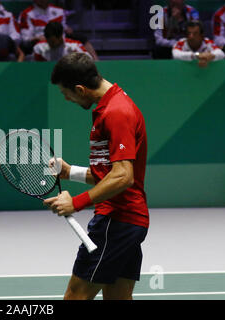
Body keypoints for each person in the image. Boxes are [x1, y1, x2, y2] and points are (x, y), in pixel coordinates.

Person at [44, 52, 149, 300]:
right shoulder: (114, 105)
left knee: (76, 296)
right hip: (129, 221)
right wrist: (72, 172)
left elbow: (123, 177)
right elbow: (113, 174)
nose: (66, 98)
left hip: (116, 220)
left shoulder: (117, 112)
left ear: (80, 89)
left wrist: (76, 202)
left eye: (65, 93)